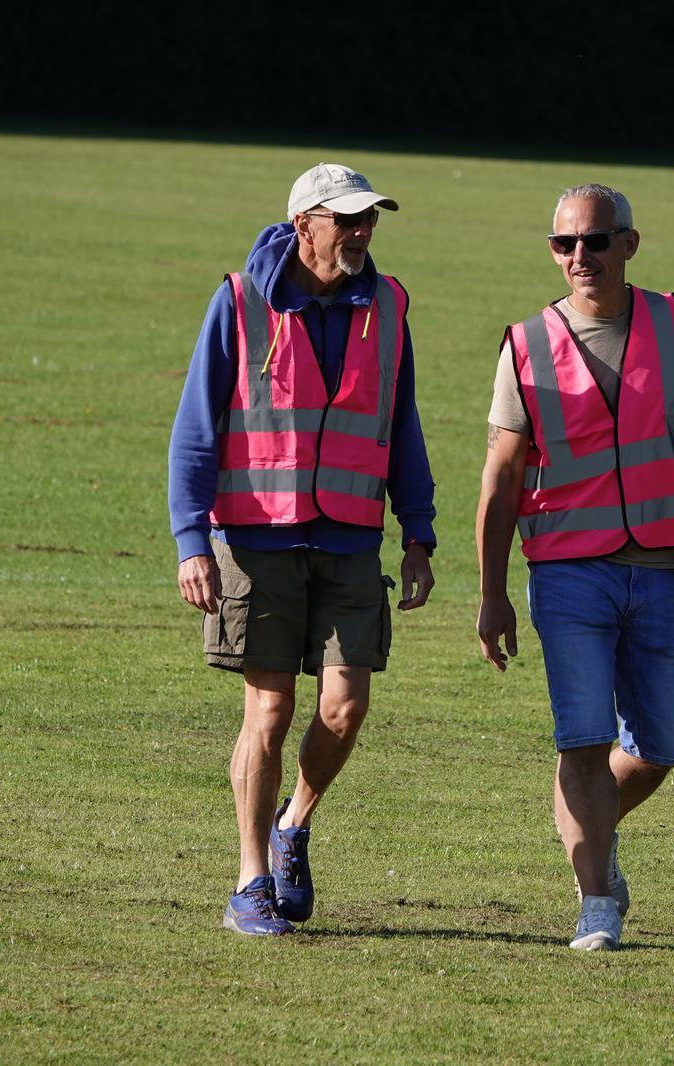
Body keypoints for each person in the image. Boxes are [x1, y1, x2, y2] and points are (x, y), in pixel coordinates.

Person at [475, 183, 674, 951]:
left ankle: (586, 825)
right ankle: (596, 902)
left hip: (660, 569)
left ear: (629, 245)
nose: (580, 257)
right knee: (583, 738)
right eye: (564, 244)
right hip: (568, 574)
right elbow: (500, 478)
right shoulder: (526, 343)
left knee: (662, 743)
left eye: (595, 241)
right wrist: (492, 593)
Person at [169, 163, 437, 937]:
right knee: (272, 706)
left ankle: (294, 824)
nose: (362, 232)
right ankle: (250, 881)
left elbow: (403, 425)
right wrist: (193, 540)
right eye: (347, 219)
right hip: (256, 539)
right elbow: (196, 429)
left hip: (351, 536)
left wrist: (417, 533)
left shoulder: (388, 306)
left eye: (369, 220)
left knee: (346, 707)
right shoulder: (239, 301)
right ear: (302, 226)